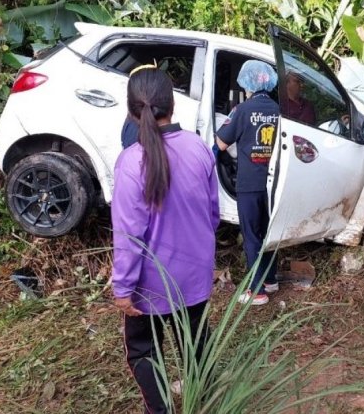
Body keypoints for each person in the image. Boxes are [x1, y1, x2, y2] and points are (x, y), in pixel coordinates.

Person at [112, 66, 220, 413]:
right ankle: (204, 402)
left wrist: (123, 288)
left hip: (149, 286)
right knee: (197, 344)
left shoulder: (130, 163)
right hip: (195, 276)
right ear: (173, 104)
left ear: (131, 112)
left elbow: (129, 237)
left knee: (145, 351)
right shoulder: (198, 148)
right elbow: (213, 215)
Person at [215, 60, 280, 306]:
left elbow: (220, 145)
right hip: (274, 183)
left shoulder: (241, 110)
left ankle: (256, 290)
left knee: (251, 236)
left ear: (246, 83)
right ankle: (271, 280)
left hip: (249, 183)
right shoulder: (277, 110)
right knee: (268, 232)